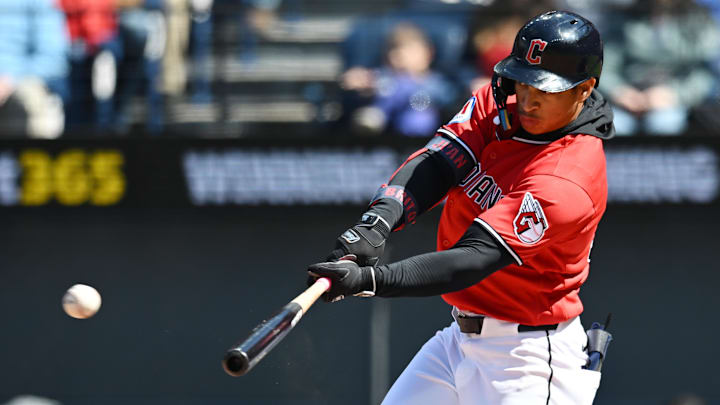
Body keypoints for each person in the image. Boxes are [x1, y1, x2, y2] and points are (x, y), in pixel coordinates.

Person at [307, 10, 614, 404]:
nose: (528, 100)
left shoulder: (568, 175)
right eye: (523, 82)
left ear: (585, 89)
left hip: (530, 359)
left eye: (546, 90)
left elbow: (471, 259)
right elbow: (438, 164)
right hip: (458, 342)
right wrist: (376, 223)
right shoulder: (504, 101)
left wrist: (370, 281)